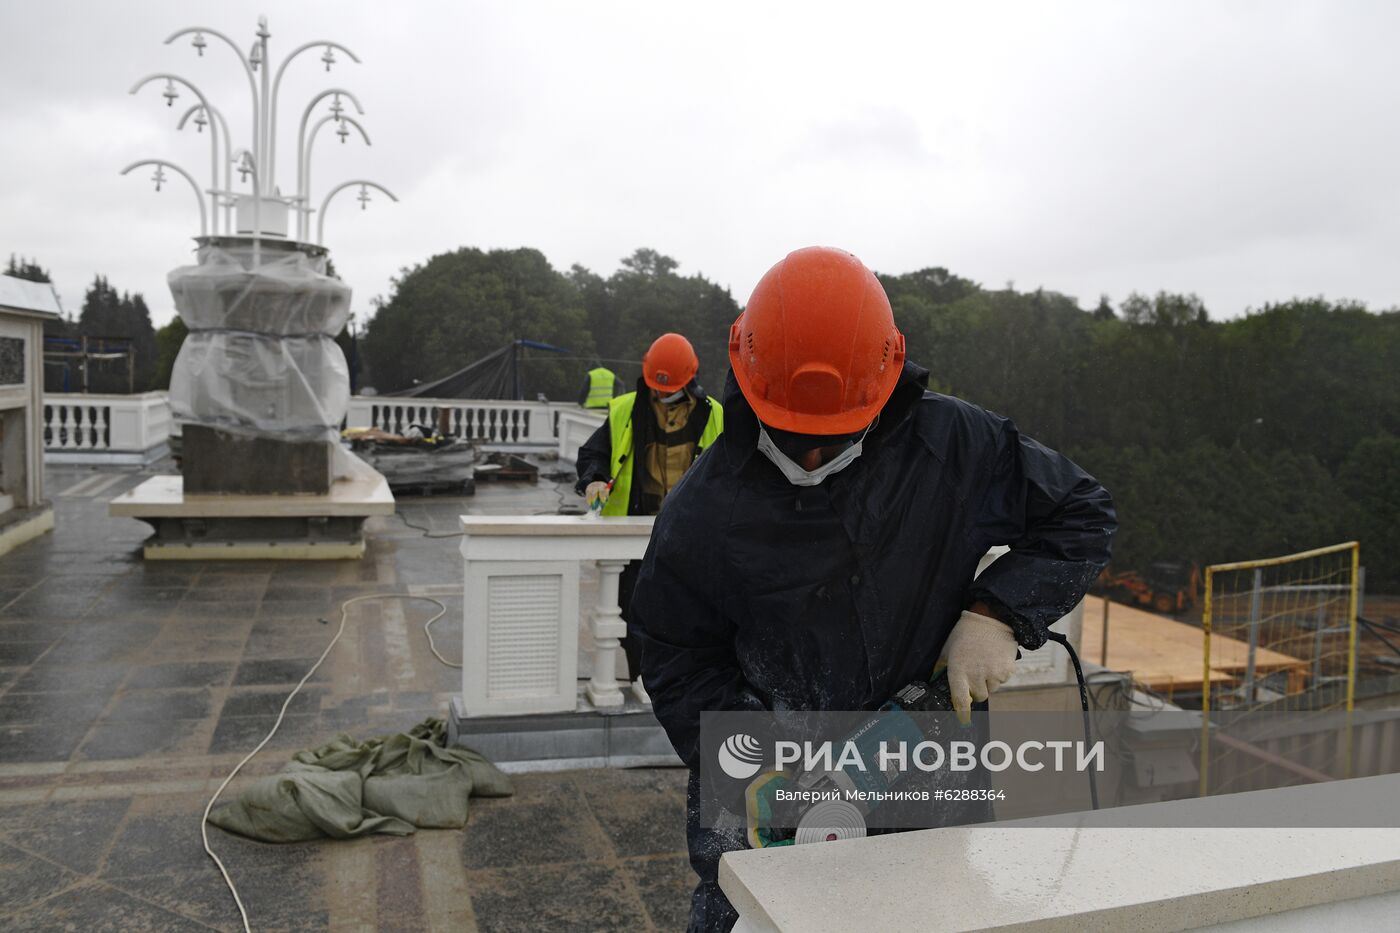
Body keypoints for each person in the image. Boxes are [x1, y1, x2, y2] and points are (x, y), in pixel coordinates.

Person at [629, 247, 1117, 932]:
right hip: (766, 787)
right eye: (793, 434)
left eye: (834, 439)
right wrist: (761, 760)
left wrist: (997, 612)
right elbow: (676, 656)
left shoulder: (952, 446)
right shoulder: (704, 512)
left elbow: (1080, 512)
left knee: (940, 907)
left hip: (931, 781)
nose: (812, 458)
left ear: (885, 385)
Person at [575, 332, 725, 701]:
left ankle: (681, 681)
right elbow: (593, 453)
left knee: (687, 616)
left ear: (690, 378)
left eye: (669, 388)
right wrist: (593, 480)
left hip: (690, 536)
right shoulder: (626, 409)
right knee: (632, 613)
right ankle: (643, 677)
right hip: (633, 534)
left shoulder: (715, 415)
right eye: (658, 387)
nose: (662, 394)